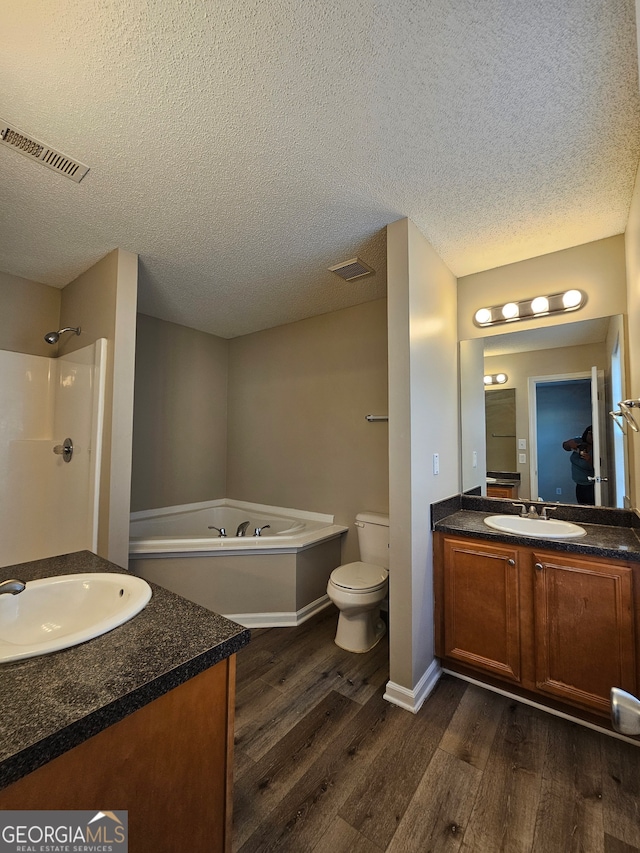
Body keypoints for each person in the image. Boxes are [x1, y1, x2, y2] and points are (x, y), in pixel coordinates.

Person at [562, 426, 595, 504]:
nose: (591, 437)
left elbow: (600, 467)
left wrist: (589, 459)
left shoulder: (598, 448)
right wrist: (569, 443)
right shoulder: (579, 441)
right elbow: (565, 446)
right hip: (579, 484)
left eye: (594, 434)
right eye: (590, 434)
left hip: (591, 486)